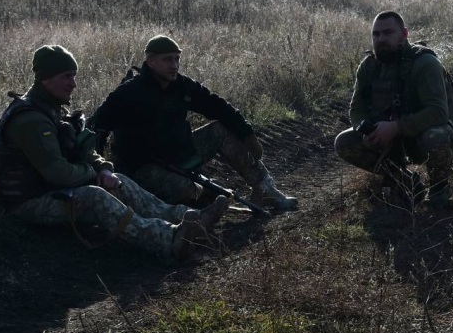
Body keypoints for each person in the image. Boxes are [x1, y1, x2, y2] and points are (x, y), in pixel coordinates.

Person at [0, 45, 228, 261]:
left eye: (73, 76)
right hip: (26, 204)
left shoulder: (51, 109)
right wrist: (92, 176)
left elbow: (83, 151)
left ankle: (189, 218)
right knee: (95, 196)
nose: (73, 83)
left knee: (119, 181)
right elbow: (57, 173)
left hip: (51, 191)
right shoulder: (31, 120)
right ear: (45, 79)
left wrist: (103, 168)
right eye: (66, 77)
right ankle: (169, 240)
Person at [88, 35, 297, 212]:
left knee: (220, 129)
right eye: (167, 60)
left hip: (179, 157)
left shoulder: (182, 86)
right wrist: (100, 171)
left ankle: (266, 191)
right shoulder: (128, 93)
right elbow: (96, 127)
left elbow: (218, 107)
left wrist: (247, 135)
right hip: (141, 168)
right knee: (186, 190)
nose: (174, 65)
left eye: (177, 59)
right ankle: (197, 203)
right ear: (150, 62)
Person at [333, 11, 453, 207]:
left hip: (434, 136)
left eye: (388, 33)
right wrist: (364, 128)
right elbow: (356, 108)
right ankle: (404, 182)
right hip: (393, 138)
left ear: (404, 34)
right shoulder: (369, 67)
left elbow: (438, 113)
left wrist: (395, 127)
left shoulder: (425, 64)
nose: (381, 39)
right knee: (344, 141)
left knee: (435, 135)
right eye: (376, 35)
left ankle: (439, 190)